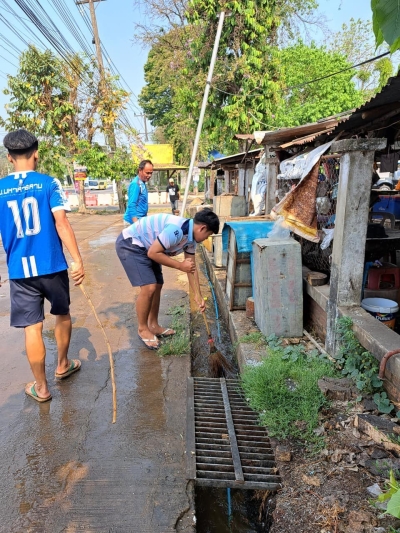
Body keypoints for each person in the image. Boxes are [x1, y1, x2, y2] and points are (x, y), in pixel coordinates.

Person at [0, 129, 85, 402]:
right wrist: (77, 260)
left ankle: (41, 387)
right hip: (53, 266)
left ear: (9, 157)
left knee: (32, 328)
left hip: (20, 272)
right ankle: (62, 365)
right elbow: (62, 223)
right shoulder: (49, 183)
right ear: (36, 152)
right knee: (62, 314)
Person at [116, 209, 219, 349]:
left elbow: (191, 268)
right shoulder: (177, 230)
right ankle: (142, 329)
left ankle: (153, 325)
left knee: (158, 284)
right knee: (149, 286)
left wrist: (198, 295)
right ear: (202, 228)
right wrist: (179, 266)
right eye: (208, 235)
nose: (206, 239)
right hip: (131, 244)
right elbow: (153, 253)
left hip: (147, 247)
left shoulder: (191, 240)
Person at [123, 159, 153, 225]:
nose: (149, 175)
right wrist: (136, 225)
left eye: (151, 173)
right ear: (140, 170)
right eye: (147, 173)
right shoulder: (136, 184)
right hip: (133, 222)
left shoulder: (142, 183)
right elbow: (131, 205)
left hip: (140, 221)